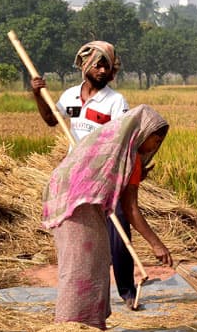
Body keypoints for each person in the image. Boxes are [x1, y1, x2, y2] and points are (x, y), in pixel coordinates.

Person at [42, 105, 173, 330]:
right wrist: (157, 244)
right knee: (81, 267)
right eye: (156, 139)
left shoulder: (115, 148)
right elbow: (131, 208)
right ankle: (70, 328)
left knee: (97, 261)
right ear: (142, 132)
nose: (157, 145)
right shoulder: (128, 158)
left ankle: (90, 325)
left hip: (73, 202)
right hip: (77, 206)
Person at [31, 41, 140, 311]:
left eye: (107, 66)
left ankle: (127, 290)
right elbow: (51, 119)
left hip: (104, 172)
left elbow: (121, 137)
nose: (102, 70)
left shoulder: (115, 102)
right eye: (98, 64)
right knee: (84, 232)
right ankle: (88, 293)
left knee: (119, 224)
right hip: (76, 174)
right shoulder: (69, 97)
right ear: (85, 67)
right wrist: (38, 95)